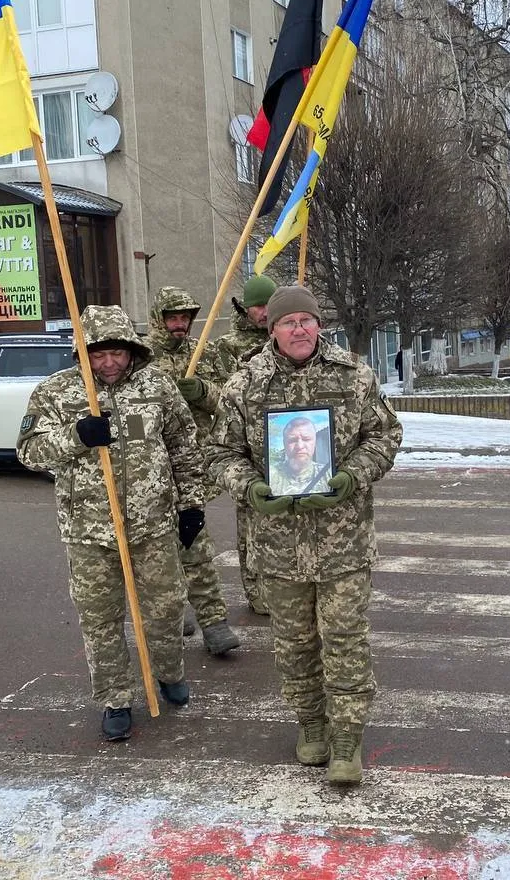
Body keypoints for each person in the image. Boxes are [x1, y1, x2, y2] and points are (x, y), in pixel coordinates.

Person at [208, 284, 403, 786]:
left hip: (343, 541)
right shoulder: (245, 383)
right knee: (294, 644)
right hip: (278, 544)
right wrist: (248, 486)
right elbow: (220, 453)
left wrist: (351, 476)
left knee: (344, 639)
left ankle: (346, 736)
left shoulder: (352, 374)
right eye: (288, 321)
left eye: (307, 320)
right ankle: (311, 723)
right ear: (271, 328)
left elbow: (385, 435)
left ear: (320, 325)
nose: (299, 329)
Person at [17, 305, 205, 741]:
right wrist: (77, 437)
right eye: (98, 354)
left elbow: (184, 446)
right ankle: (115, 698)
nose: (109, 363)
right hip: (89, 530)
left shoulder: (157, 386)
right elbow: (28, 452)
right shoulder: (57, 392)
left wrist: (190, 505)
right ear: (83, 353)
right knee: (101, 620)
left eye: (117, 353)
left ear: (131, 350)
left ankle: (169, 672)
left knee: (166, 609)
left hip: (153, 524)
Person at [145, 286, 239, 656]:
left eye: (185, 317)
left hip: (190, 465)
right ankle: (175, 610)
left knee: (195, 541)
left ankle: (214, 623)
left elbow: (230, 399)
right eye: (173, 317)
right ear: (159, 318)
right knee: (159, 550)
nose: (180, 325)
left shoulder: (206, 352)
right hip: (150, 470)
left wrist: (201, 391)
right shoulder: (141, 358)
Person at [214, 274, 275, 615]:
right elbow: (225, 396)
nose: (265, 313)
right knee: (251, 521)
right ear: (246, 309)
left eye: (270, 305)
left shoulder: (283, 336)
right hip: (248, 444)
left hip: (283, 439)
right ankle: (256, 591)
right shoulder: (230, 345)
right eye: (258, 306)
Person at [268, 416, 331, 496]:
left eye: (306, 439)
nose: (300, 446)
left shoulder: (328, 473)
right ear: (284, 444)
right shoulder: (271, 475)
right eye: (292, 440)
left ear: (314, 442)